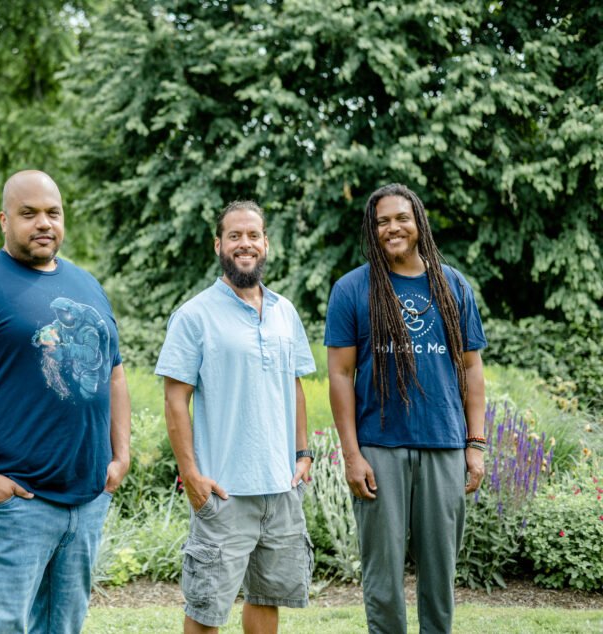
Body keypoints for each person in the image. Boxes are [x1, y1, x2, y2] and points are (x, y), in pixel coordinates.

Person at [0, 170, 131, 634]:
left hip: (85, 500)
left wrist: (121, 456)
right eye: (28, 213)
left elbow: (114, 374)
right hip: (12, 504)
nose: (43, 223)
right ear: (4, 220)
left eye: (53, 213)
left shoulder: (87, 286)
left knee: (64, 627)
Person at [325, 183, 487, 634]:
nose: (392, 228)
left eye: (401, 218)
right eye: (382, 222)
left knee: (440, 575)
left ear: (419, 222)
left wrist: (475, 444)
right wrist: (352, 455)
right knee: (382, 578)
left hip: (444, 444)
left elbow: (472, 368)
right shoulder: (351, 289)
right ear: (372, 229)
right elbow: (340, 375)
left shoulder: (454, 285)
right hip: (380, 448)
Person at [155, 201, 316, 633]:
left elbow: (294, 385)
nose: (245, 244)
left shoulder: (285, 312)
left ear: (266, 243)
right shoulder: (194, 315)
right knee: (207, 608)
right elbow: (175, 400)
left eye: (253, 235)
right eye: (234, 236)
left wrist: (303, 454)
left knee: (267, 598)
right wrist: (191, 475)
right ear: (218, 245)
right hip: (224, 490)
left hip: (281, 486)